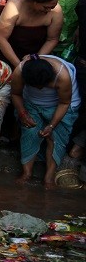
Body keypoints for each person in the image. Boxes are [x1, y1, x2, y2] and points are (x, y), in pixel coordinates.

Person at [11, 55, 80, 187]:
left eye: (42, 86)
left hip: (61, 105)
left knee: (55, 137)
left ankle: (49, 177)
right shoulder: (20, 71)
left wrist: (51, 125)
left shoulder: (62, 76)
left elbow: (64, 103)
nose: (40, 89)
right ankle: (27, 173)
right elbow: (15, 94)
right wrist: (23, 114)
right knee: (30, 131)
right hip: (30, 102)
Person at [0, 0, 63, 68]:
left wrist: (36, 59)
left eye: (52, 7)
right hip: (8, 54)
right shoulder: (16, 4)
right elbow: (1, 38)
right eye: (45, 7)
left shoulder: (56, 11)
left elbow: (52, 39)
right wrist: (19, 66)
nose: (49, 10)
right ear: (35, 1)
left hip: (37, 56)